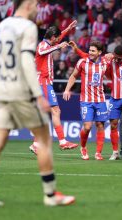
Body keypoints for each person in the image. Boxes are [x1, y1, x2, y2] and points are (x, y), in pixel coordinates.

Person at [0, 0, 75, 206]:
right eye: (37, 5)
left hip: (2, 88)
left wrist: (64, 31)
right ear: (29, 4)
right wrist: (38, 95)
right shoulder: (28, 27)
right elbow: (26, 61)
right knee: (43, 140)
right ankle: (50, 195)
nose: (38, 9)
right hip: (21, 88)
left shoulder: (2, 26)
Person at [29, 22, 79, 155]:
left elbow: (58, 39)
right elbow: (42, 51)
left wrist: (67, 29)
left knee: (50, 112)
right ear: (53, 37)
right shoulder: (43, 45)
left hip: (45, 82)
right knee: (54, 111)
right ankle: (62, 141)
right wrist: (57, 46)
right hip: (43, 82)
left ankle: (37, 144)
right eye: (57, 38)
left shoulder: (49, 43)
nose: (59, 40)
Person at [63, 41, 108, 161]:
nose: (90, 53)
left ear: (100, 52)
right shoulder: (83, 62)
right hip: (86, 100)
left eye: (93, 51)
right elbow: (73, 76)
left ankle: (98, 153)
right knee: (87, 126)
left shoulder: (105, 61)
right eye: (90, 50)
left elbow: (116, 57)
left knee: (100, 125)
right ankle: (83, 147)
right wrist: (67, 90)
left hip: (100, 99)